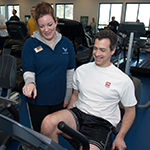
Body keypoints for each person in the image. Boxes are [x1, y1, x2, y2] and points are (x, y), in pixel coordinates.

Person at [41, 29, 137, 150]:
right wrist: (68, 114)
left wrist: (120, 136)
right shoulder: (82, 70)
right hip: (79, 114)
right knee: (47, 123)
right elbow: (75, 95)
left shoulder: (123, 80)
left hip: (101, 123)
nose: (97, 53)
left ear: (112, 51)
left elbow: (130, 111)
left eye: (102, 50)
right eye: (95, 48)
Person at [21, 2, 76, 133]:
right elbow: (29, 70)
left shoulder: (66, 43)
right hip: (38, 100)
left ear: (56, 22)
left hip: (59, 98)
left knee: (55, 132)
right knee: (40, 134)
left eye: (50, 24)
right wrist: (29, 83)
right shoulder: (30, 44)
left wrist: (68, 96)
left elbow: (70, 72)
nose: (46, 29)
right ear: (37, 26)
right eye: (42, 26)